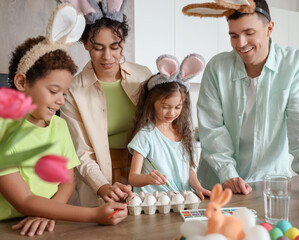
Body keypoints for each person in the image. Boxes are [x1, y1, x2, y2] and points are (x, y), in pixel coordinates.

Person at [183, 0, 299, 207]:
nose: (241, 43)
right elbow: (213, 128)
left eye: (249, 33)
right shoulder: (217, 67)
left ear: (269, 27)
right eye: (233, 36)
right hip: (218, 185)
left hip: (269, 186)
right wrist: (228, 174)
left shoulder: (293, 62)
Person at [0, 4, 128, 237]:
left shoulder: (58, 126)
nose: (60, 101)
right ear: (21, 82)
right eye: (53, 91)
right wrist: (94, 215)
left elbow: (66, 183)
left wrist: (50, 211)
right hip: (12, 227)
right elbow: (24, 200)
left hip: (46, 221)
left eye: (64, 92)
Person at [60, 0, 151, 207]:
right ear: (86, 45)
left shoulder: (143, 76)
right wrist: (102, 186)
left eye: (115, 47)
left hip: (144, 175)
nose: (107, 56)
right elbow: (80, 151)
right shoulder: (73, 91)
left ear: (123, 43)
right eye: (98, 48)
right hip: (99, 177)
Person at [127, 54, 211, 199]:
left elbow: (188, 170)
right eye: (165, 107)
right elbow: (133, 177)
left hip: (182, 200)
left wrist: (198, 187)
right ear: (152, 102)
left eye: (177, 107)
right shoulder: (146, 135)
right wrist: (148, 178)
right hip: (155, 203)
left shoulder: (182, 132)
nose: (172, 113)